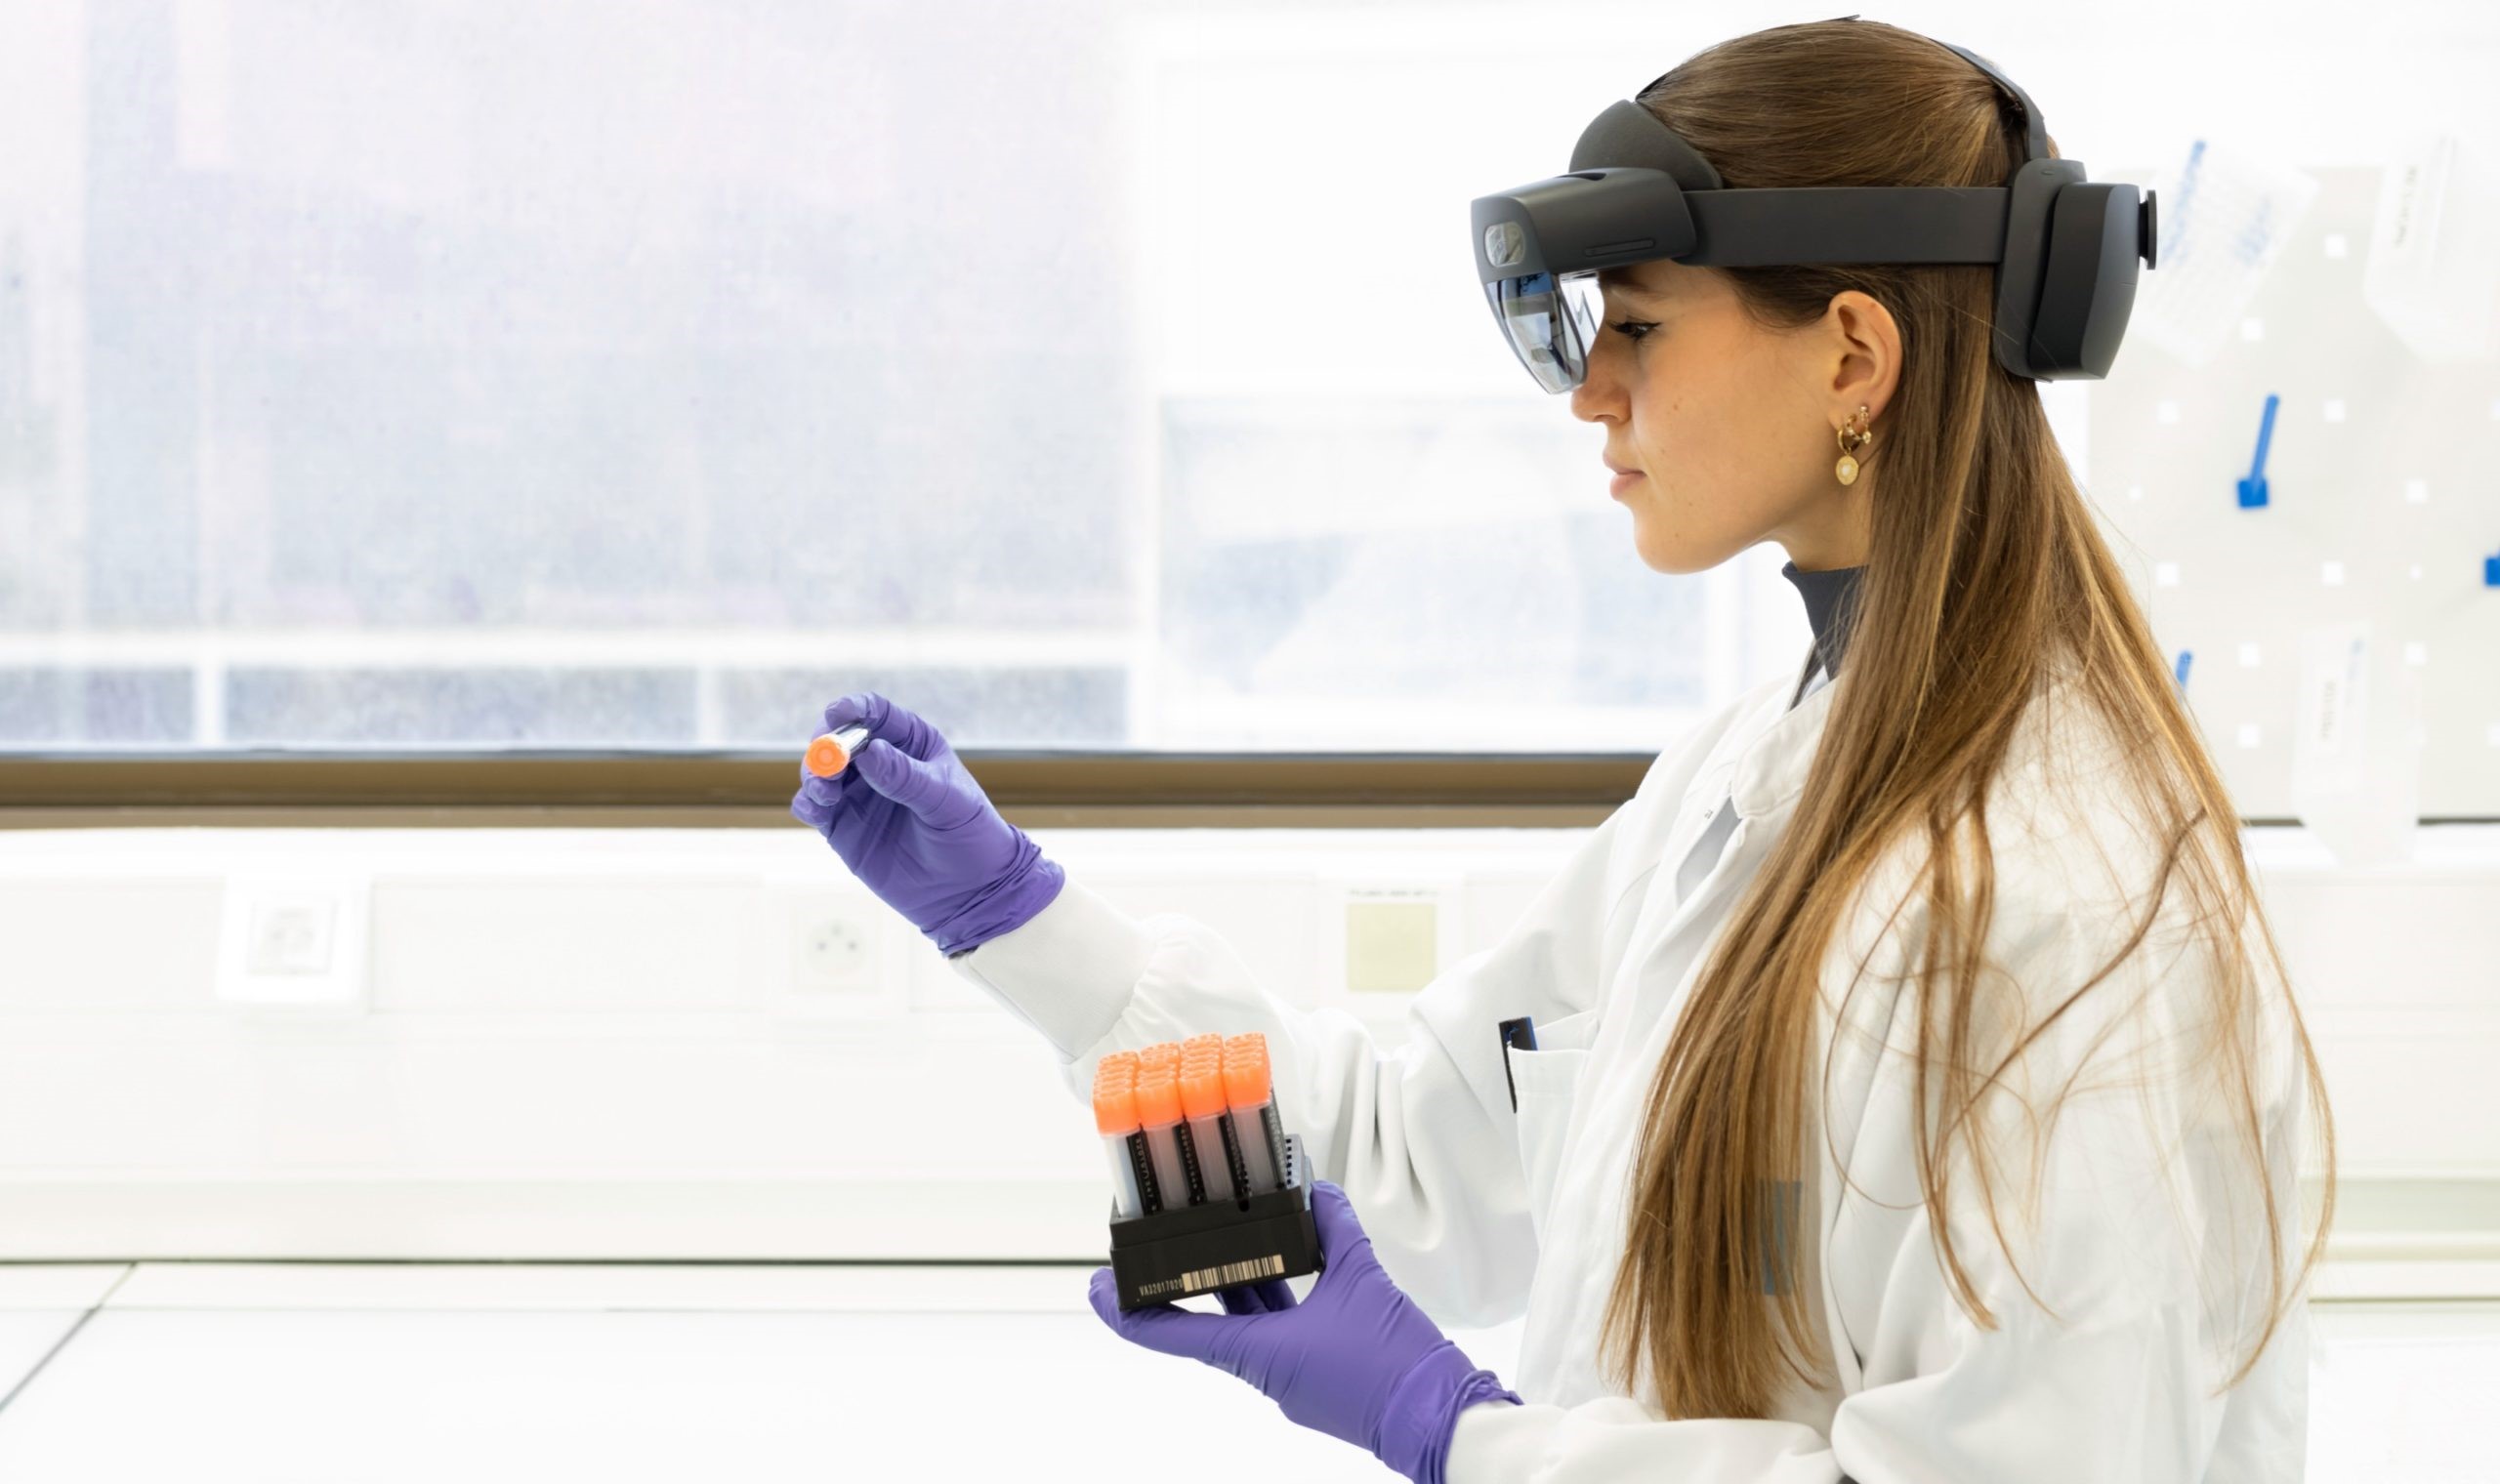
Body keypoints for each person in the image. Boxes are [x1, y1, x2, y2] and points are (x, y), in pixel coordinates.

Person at [790, 18, 2333, 1482]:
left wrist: (1455, 1432)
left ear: (1855, 358)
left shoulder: (2056, 907)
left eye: (1643, 327)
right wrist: (1022, 927)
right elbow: (1416, 1158)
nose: (1594, 391)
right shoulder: (1745, 785)